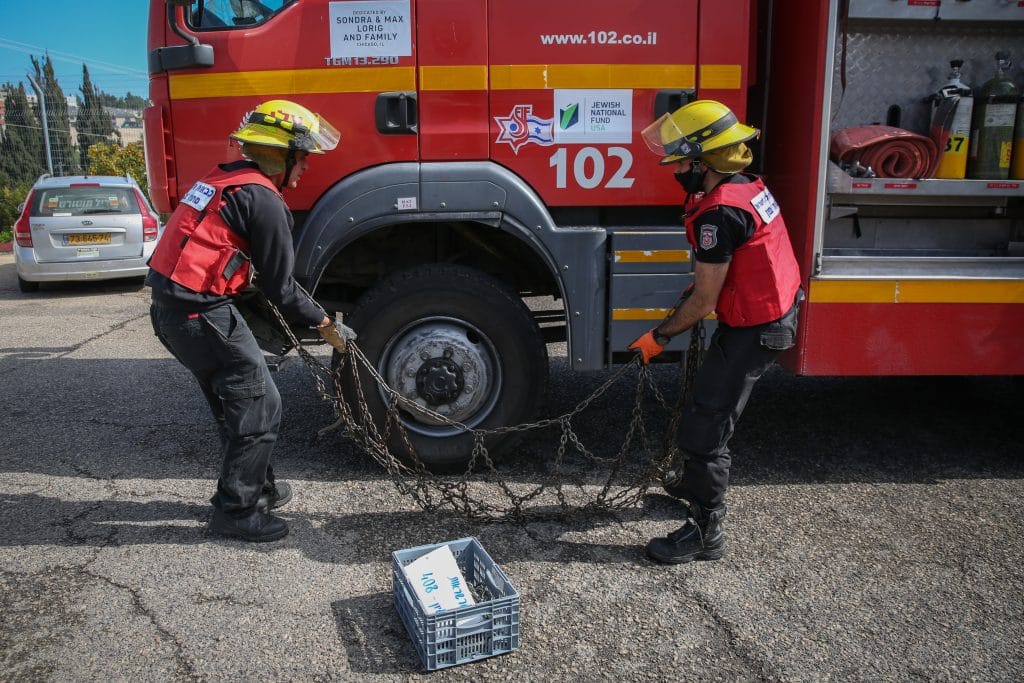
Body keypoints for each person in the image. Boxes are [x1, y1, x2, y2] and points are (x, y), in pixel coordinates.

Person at [147, 99, 354, 542]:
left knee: (237, 402)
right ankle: (237, 512)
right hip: (200, 315)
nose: (306, 168)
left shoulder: (221, 179)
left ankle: (257, 489)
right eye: (303, 158)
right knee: (261, 406)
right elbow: (282, 288)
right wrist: (324, 323)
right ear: (280, 154)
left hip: (171, 313)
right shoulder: (265, 201)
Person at [629, 99, 802, 564]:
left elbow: (703, 302)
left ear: (705, 161)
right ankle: (690, 485)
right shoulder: (746, 185)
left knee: (708, 426)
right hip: (766, 313)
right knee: (706, 404)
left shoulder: (718, 214)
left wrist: (659, 336)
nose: (676, 170)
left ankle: (706, 532)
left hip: (757, 327)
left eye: (682, 162)